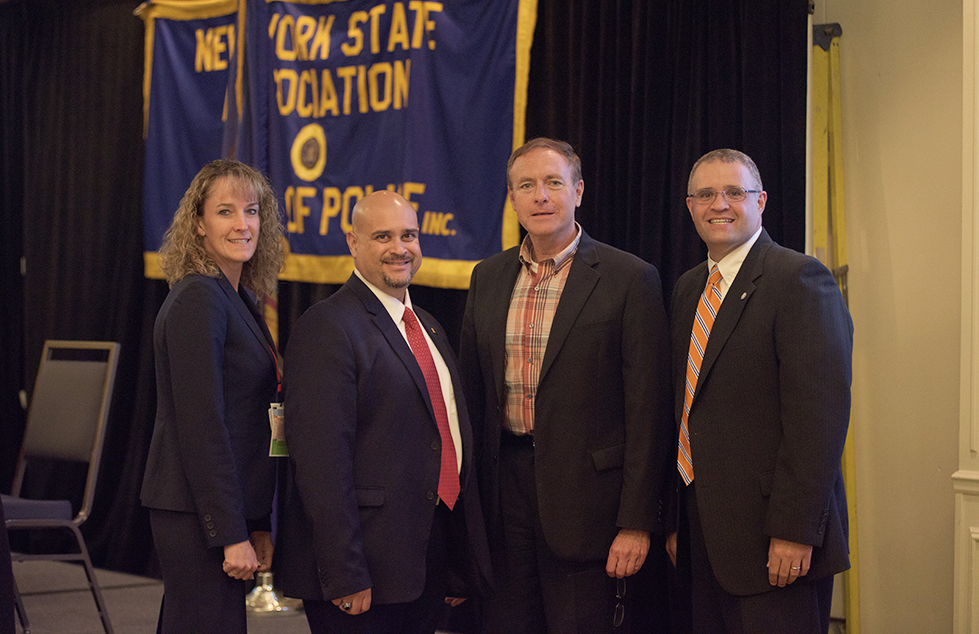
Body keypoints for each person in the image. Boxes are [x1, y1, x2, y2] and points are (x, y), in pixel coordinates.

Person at [459, 137, 672, 633]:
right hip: (503, 496)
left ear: (578, 191)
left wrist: (637, 521)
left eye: (553, 183)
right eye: (526, 186)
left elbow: (649, 411)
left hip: (591, 508)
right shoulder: (487, 277)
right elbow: (471, 398)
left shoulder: (629, 278)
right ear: (511, 199)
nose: (540, 196)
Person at [276, 190, 491, 634]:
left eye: (408, 235)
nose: (400, 248)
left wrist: (455, 558)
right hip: (364, 573)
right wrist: (344, 572)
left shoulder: (428, 325)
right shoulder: (328, 326)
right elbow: (320, 465)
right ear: (353, 242)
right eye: (383, 236)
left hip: (425, 564)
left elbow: (444, 437)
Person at [666, 149, 853, 633]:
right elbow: (688, 409)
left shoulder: (798, 279)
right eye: (705, 194)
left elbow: (819, 420)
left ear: (761, 201)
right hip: (705, 536)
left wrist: (793, 531)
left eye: (734, 192)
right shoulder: (689, 288)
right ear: (690, 207)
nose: (719, 204)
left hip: (778, 544)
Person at [141, 159, 284, 633]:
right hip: (195, 514)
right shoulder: (199, 298)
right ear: (198, 224)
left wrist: (257, 521)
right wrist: (228, 533)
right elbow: (203, 426)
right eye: (226, 212)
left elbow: (249, 420)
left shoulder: (236, 297)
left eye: (252, 211)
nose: (243, 224)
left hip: (219, 509)